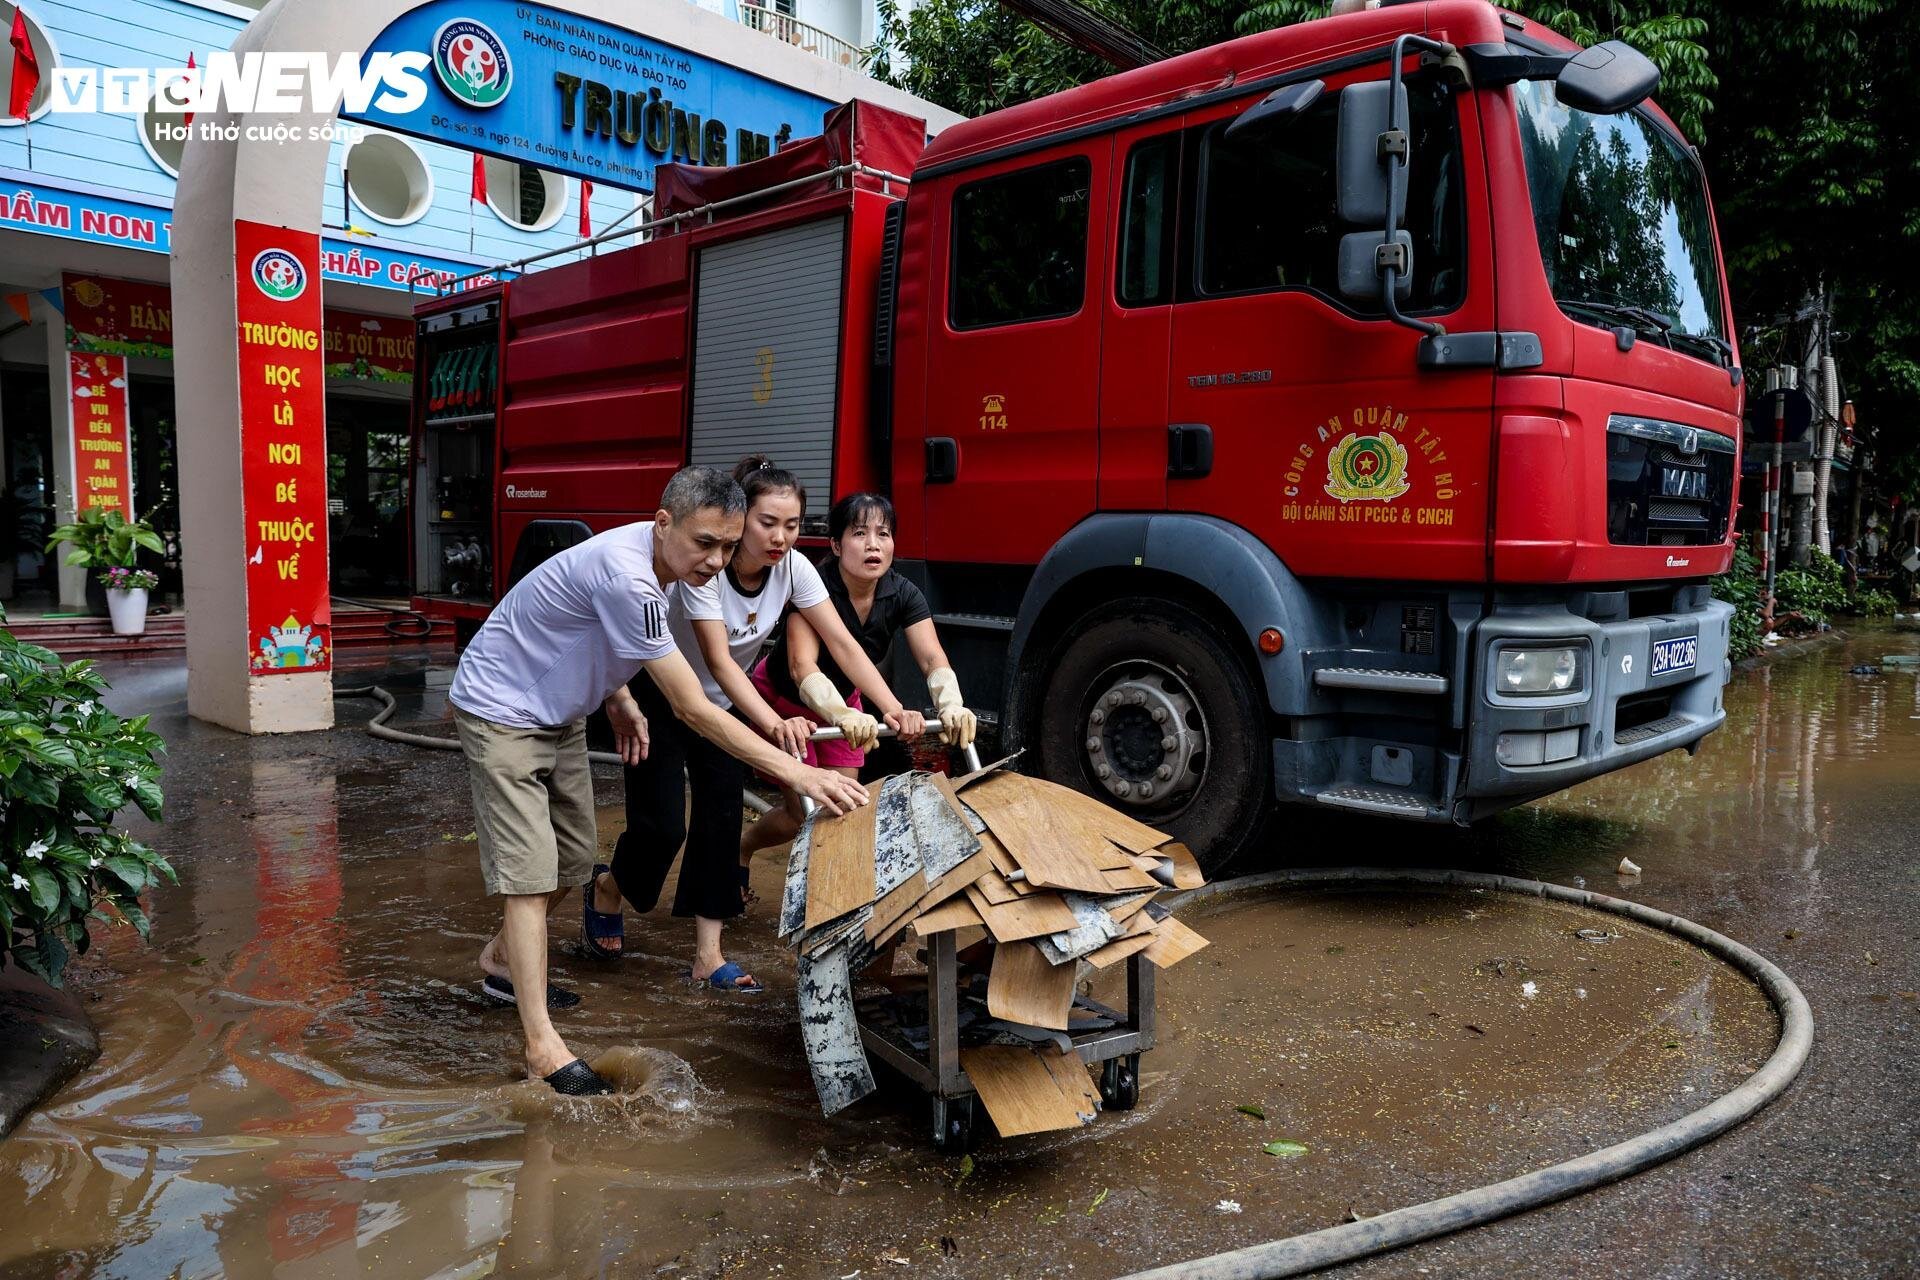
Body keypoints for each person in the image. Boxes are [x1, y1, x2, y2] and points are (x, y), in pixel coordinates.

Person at [449, 466, 868, 1095]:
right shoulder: (631, 579)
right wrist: (798, 771)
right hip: (501, 708)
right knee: (530, 879)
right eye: (705, 543)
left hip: (562, 709)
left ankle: (501, 960)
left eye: (728, 546)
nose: (717, 561)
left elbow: (591, 631)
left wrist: (616, 693)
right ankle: (541, 1046)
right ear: (663, 522)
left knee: (568, 863)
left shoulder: (681, 572)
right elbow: (693, 707)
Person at [584, 458, 917, 992]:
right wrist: (773, 721)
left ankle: (707, 955)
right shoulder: (709, 569)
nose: (781, 537)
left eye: (792, 525)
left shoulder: (795, 569)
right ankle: (608, 886)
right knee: (662, 827)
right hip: (664, 696)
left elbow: (843, 645)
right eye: (768, 523)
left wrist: (890, 706)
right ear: (741, 520)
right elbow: (717, 663)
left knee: (719, 817)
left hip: (721, 707)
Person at [738, 491, 979, 866]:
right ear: (835, 544)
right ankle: (745, 845)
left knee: (842, 808)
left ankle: (835, 903)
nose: (873, 545)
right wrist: (848, 715)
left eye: (884, 534)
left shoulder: (902, 592)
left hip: (845, 704)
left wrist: (951, 704)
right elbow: (804, 668)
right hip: (786, 703)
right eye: (860, 533)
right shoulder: (812, 587)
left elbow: (932, 657)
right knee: (803, 814)